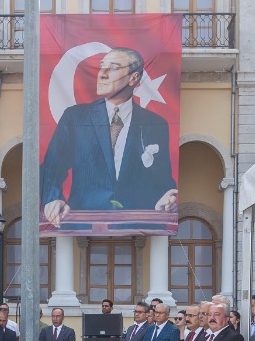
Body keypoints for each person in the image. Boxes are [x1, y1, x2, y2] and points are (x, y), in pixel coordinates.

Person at [40, 47, 176, 224]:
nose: (102, 74)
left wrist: (168, 197)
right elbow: (51, 169)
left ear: (133, 78)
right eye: (101, 67)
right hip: (82, 222)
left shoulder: (156, 124)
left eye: (113, 68)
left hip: (138, 222)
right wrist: (53, 199)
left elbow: (162, 179)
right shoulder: (75, 117)